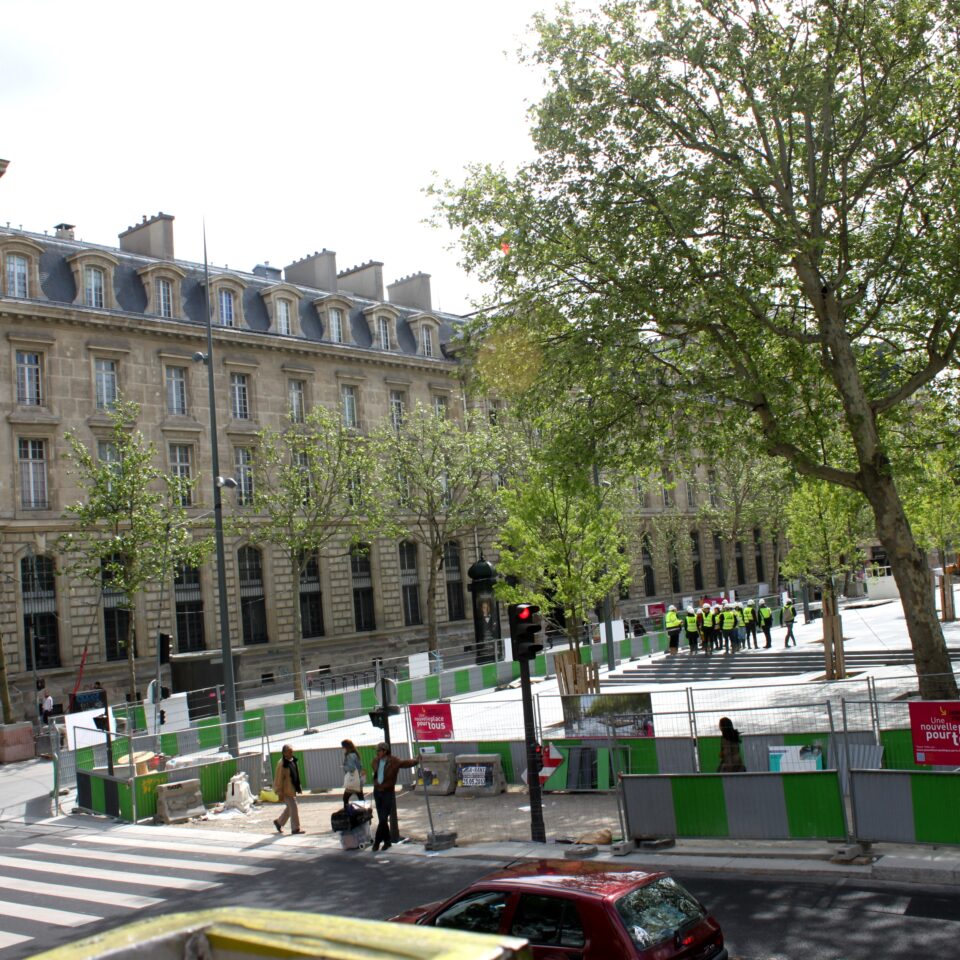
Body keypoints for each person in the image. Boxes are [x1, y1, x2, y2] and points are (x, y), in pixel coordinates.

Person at [371, 741, 419, 852]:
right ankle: (387, 842)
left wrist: (416, 761)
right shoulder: (375, 761)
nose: (377, 753)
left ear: (384, 751)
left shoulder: (393, 761)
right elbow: (376, 773)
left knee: (383, 819)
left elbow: (405, 763)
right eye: (376, 751)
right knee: (381, 818)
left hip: (388, 792)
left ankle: (377, 842)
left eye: (378, 751)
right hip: (377, 791)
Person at [272, 744, 304, 835]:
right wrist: (279, 792)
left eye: (292, 751)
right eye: (289, 751)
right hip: (285, 791)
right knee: (293, 808)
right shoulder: (282, 764)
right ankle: (295, 828)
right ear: (284, 753)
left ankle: (279, 822)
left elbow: (295, 775)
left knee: (290, 808)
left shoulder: (293, 761)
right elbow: (278, 779)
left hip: (291, 790)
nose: (291, 753)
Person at [341, 738, 365, 807]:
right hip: (358, 780)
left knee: (345, 798)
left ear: (346, 747)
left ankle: (347, 813)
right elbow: (360, 766)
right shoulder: (355, 754)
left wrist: (344, 767)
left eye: (343, 747)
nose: (343, 749)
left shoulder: (349, 755)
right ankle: (364, 812)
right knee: (361, 798)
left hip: (352, 781)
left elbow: (351, 768)